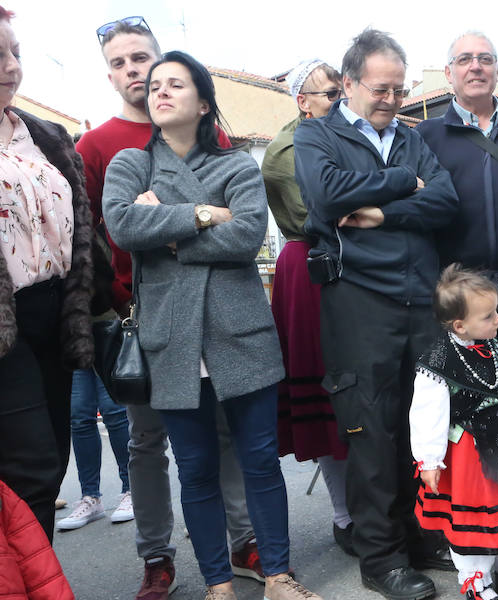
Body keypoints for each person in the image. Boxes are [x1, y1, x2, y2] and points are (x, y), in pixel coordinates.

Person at [102, 50, 319, 600]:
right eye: (155, 86)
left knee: (259, 462)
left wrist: (166, 228)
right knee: (195, 469)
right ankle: (218, 584)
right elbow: (124, 225)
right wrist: (203, 214)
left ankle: (277, 575)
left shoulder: (236, 166)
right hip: (170, 340)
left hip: (240, 334)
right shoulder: (130, 164)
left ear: (203, 103)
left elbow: (247, 237)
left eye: (176, 84)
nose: (161, 92)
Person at [77, 18, 260, 599]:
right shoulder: (96, 145)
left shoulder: (215, 144)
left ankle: (243, 540)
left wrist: (162, 221)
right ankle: (156, 555)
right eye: (120, 63)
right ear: (110, 74)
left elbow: (240, 223)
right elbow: (100, 231)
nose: (135, 72)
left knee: (227, 436)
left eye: (142, 59)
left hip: (212, 315)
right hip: (139, 317)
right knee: (146, 441)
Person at [293, 29, 459, 600]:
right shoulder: (316, 134)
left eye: (399, 89)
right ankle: (380, 557)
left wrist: (384, 213)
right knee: (371, 429)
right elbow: (327, 195)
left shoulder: (412, 138)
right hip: (359, 301)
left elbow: (446, 200)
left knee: (424, 425)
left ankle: (420, 537)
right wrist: (400, 182)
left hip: (422, 298)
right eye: (381, 88)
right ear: (348, 83)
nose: (392, 99)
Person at [0, 5, 93, 543]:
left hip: (57, 311)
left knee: (52, 460)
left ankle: (35, 576)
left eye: (17, 53)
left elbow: (83, 233)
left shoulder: (45, 134)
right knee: (31, 463)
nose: (11, 66)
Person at [417, 31, 498, 387]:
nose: (475, 67)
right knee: (473, 395)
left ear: (496, 70)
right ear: (449, 73)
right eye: (464, 60)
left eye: (484, 59)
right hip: (462, 286)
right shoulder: (426, 137)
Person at [261, 59, 354, 556]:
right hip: (314, 268)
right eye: (330, 94)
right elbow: (328, 214)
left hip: (356, 261)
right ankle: (344, 516)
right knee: (330, 399)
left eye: (342, 91)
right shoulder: (283, 153)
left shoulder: (352, 132)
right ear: (303, 102)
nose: (341, 100)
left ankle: (381, 508)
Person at [412, 265, 498, 600]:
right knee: (475, 518)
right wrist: (429, 460)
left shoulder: (496, 350)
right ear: (460, 325)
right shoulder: (437, 364)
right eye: (488, 316)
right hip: (467, 453)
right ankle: (474, 580)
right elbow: (429, 416)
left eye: (496, 311)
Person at [56, 368, 133, 530]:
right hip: (74, 347)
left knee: (114, 411)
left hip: (106, 344)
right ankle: (91, 497)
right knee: (79, 418)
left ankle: (132, 490)